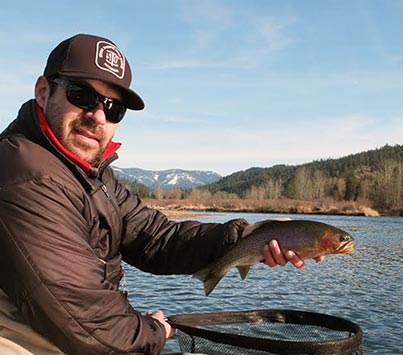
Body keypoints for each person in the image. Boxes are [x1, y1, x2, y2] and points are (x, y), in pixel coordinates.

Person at [0, 34, 323, 355]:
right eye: (81, 95)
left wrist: (249, 234)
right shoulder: (26, 175)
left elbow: (157, 237)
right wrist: (156, 331)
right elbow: (83, 318)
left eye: (114, 109)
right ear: (44, 92)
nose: (98, 116)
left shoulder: (88, 173)